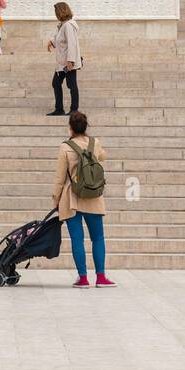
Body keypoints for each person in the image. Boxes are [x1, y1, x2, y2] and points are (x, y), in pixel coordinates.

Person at [50, 111, 114, 288]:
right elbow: (103, 156)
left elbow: (60, 178)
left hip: (73, 199)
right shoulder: (95, 143)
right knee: (98, 238)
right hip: (93, 196)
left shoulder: (65, 147)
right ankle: (101, 277)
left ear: (70, 128)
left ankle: (83, 278)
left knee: (78, 240)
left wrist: (55, 199)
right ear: (86, 127)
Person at [46, 1, 82, 116]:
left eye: (56, 11)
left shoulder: (68, 25)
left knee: (72, 85)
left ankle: (74, 110)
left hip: (67, 63)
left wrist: (70, 61)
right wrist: (51, 42)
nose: (55, 14)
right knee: (56, 83)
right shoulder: (63, 25)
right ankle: (59, 109)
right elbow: (59, 38)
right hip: (62, 63)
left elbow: (72, 44)